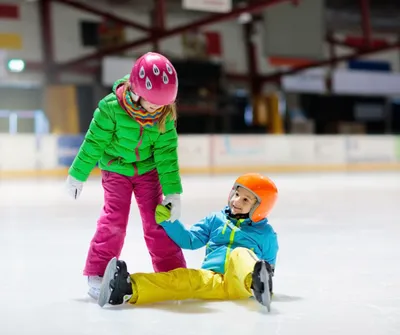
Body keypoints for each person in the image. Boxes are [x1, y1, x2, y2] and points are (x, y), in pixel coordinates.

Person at [65, 52, 187, 299]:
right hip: (115, 170)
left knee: (157, 221)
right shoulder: (110, 109)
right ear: (136, 91)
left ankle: (172, 272)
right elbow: (93, 144)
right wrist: (77, 175)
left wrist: (173, 192)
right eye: (153, 102)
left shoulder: (164, 115)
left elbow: (166, 155)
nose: (157, 108)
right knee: (114, 220)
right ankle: (98, 273)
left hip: (147, 171)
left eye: (163, 104)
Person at [98, 173, 279, 311]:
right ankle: (128, 287)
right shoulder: (216, 220)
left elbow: (269, 266)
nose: (236, 200)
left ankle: (257, 283)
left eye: (246, 199)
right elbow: (190, 240)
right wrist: (170, 222)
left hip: (241, 283)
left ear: (260, 207)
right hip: (212, 279)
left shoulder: (266, 234)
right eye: (237, 193)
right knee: (182, 278)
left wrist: (262, 279)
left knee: (240, 254)